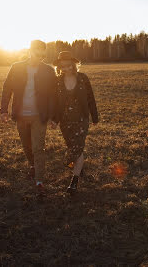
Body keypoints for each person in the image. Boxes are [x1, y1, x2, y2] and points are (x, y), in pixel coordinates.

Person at [0, 40, 57, 197]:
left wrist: (54, 116)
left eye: (42, 53)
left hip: (40, 116)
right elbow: (7, 88)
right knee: (27, 146)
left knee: (38, 148)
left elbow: (53, 95)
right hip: (21, 115)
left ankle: (39, 182)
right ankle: (32, 166)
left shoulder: (48, 71)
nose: (40, 56)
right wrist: (3, 110)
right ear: (30, 51)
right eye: (37, 52)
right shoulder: (16, 67)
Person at [53, 51, 99, 194]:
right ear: (59, 67)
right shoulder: (58, 81)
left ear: (73, 65)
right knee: (72, 147)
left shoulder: (83, 78)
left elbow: (90, 98)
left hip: (81, 119)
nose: (66, 69)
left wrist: (94, 116)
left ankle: (74, 181)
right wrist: (54, 120)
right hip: (65, 121)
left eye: (68, 66)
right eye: (63, 66)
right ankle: (80, 167)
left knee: (77, 148)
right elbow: (55, 103)